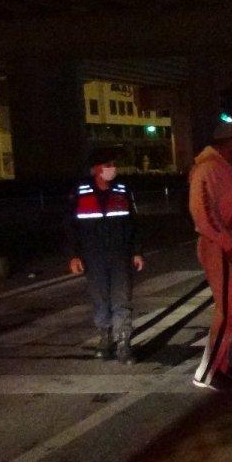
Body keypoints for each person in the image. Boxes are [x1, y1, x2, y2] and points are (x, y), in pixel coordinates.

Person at [188, 120, 232, 390]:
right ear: (230, 141)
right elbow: (203, 215)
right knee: (229, 310)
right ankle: (208, 372)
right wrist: (229, 246)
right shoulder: (207, 170)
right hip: (222, 248)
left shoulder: (230, 169)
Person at [66, 151, 145, 363]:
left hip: (120, 255)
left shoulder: (122, 189)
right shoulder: (80, 191)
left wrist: (137, 251)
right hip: (93, 256)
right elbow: (71, 226)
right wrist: (74, 255)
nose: (112, 168)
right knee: (100, 298)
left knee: (122, 299)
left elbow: (134, 223)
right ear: (96, 169)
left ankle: (123, 343)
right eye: (107, 164)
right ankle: (105, 338)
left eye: (112, 164)